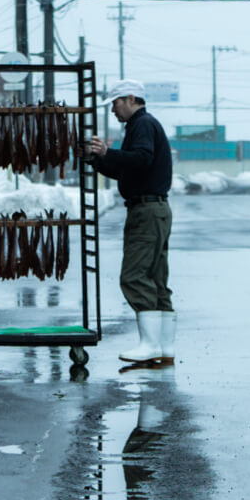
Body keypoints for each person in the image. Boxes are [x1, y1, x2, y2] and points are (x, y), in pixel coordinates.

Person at [83, 79, 176, 365]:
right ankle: (164, 347)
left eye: (116, 102)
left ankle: (149, 344)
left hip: (146, 211)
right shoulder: (141, 126)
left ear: (132, 98)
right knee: (156, 279)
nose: (113, 109)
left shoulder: (143, 125)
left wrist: (108, 153)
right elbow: (130, 168)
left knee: (134, 276)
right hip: (155, 209)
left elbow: (141, 159)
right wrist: (100, 160)